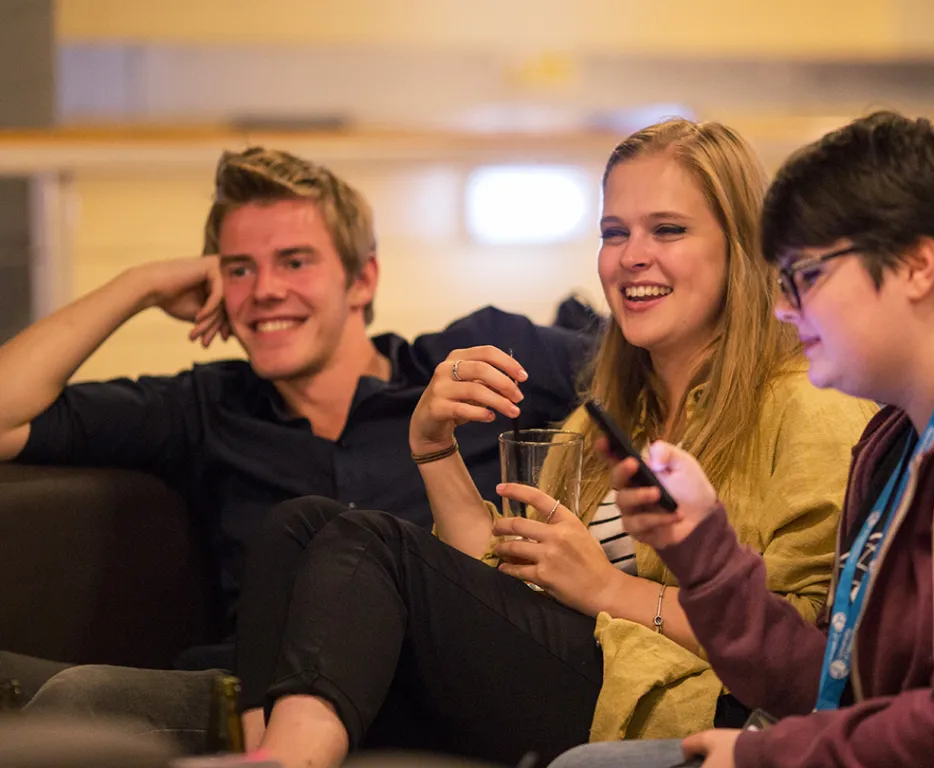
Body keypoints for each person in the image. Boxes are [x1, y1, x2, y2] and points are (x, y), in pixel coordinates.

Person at [231, 118, 876, 768]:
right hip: (568, 663)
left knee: (365, 544)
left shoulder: (808, 403)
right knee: (302, 526)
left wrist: (608, 591)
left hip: (676, 698)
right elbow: (505, 574)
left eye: (668, 230)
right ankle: (262, 747)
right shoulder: (618, 408)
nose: (631, 256)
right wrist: (433, 450)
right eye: (614, 233)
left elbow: (808, 649)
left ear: (741, 248)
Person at [0, 147, 590, 752]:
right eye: (239, 270)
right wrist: (140, 285)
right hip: (251, 683)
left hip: (436, 681)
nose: (265, 291)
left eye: (295, 261)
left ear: (362, 279)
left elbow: (648, 369)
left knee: (79, 701)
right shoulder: (207, 405)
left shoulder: (470, 364)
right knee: (44, 692)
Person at [551, 111, 934, 768]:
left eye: (808, 275)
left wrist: (767, 756)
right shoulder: (896, 440)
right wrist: (701, 548)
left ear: (917, 266)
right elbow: (830, 687)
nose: (782, 306)